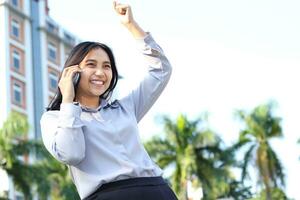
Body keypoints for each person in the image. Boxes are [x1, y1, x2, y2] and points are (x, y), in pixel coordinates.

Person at [40, 1, 177, 200]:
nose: (100, 72)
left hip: (157, 191)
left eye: (107, 66)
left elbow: (161, 70)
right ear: (72, 71)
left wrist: (132, 26)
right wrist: (68, 101)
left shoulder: (125, 108)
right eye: (91, 64)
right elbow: (72, 154)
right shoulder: (54, 118)